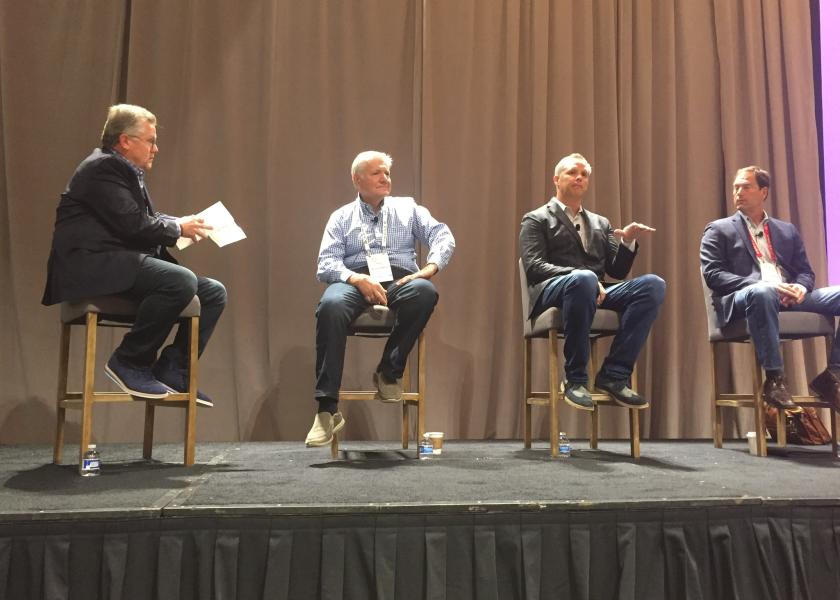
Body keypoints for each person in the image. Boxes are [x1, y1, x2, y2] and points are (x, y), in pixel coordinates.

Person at [42, 104, 227, 407]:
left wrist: (181, 224)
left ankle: (173, 368)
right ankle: (129, 360)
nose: (156, 148)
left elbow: (137, 217)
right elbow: (133, 223)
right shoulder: (102, 167)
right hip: (91, 264)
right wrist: (177, 227)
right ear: (126, 140)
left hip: (118, 262)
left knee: (213, 293)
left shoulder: (125, 170)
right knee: (179, 280)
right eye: (150, 140)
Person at [307, 150, 455, 447]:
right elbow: (326, 264)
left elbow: (443, 235)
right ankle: (326, 409)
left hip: (400, 276)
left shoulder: (408, 208)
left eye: (387, 172)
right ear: (357, 179)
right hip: (354, 277)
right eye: (377, 173)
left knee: (425, 293)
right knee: (331, 306)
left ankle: (389, 370)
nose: (385, 178)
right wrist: (357, 278)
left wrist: (429, 268)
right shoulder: (341, 217)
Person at [519, 153, 666, 410]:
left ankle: (614, 374)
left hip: (595, 289)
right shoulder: (537, 218)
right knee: (584, 278)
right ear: (556, 179)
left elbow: (618, 271)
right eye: (572, 172)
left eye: (584, 174)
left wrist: (627, 242)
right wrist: (577, 276)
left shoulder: (601, 223)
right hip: (551, 291)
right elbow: (534, 267)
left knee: (653, 285)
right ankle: (575, 378)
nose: (579, 178)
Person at [700, 165, 840, 412]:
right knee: (763, 293)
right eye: (736, 187)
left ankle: (833, 374)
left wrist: (799, 287)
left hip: (787, 295)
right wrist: (763, 285)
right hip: (745, 298)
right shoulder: (718, 229)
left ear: (763, 192)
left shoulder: (786, 230)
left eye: (746, 186)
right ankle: (775, 380)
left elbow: (805, 271)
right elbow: (713, 275)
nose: (738, 192)